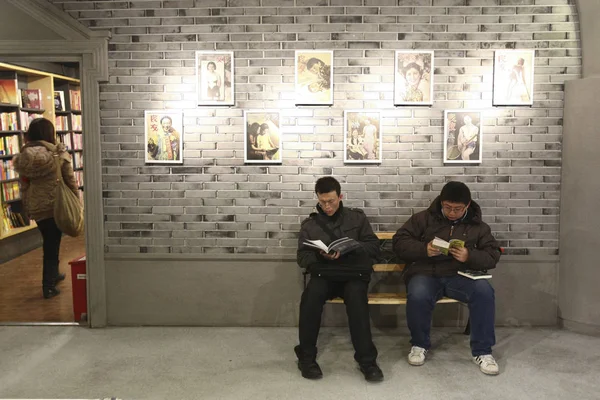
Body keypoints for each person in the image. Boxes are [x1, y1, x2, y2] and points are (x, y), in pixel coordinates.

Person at [392, 181, 502, 375]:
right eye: (447, 207)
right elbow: (399, 242)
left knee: (485, 291)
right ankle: (419, 344)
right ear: (441, 202)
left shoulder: (478, 226)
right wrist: (424, 250)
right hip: (426, 273)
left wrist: (469, 256)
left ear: (467, 206)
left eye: (457, 209)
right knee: (418, 294)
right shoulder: (422, 219)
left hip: (459, 275)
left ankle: (483, 352)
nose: (452, 212)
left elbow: (493, 254)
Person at [295, 177, 383, 382]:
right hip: (325, 275)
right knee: (310, 299)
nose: (327, 206)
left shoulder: (357, 218)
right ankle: (306, 358)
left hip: (353, 275)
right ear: (317, 198)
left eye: (331, 201)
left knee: (357, 301)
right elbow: (301, 257)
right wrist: (320, 256)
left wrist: (353, 247)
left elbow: (374, 247)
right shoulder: (310, 225)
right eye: (322, 201)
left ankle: (367, 361)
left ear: (340, 196)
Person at [12, 118, 78, 299]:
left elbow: (24, 185)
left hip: (38, 207)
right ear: (49, 134)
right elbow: (69, 180)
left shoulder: (24, 158)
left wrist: (27, 206)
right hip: (55, 204)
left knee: (50, 241)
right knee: (52, 244)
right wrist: (77, 201)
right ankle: (48, 285)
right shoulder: (57, 154)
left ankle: (54, 274)